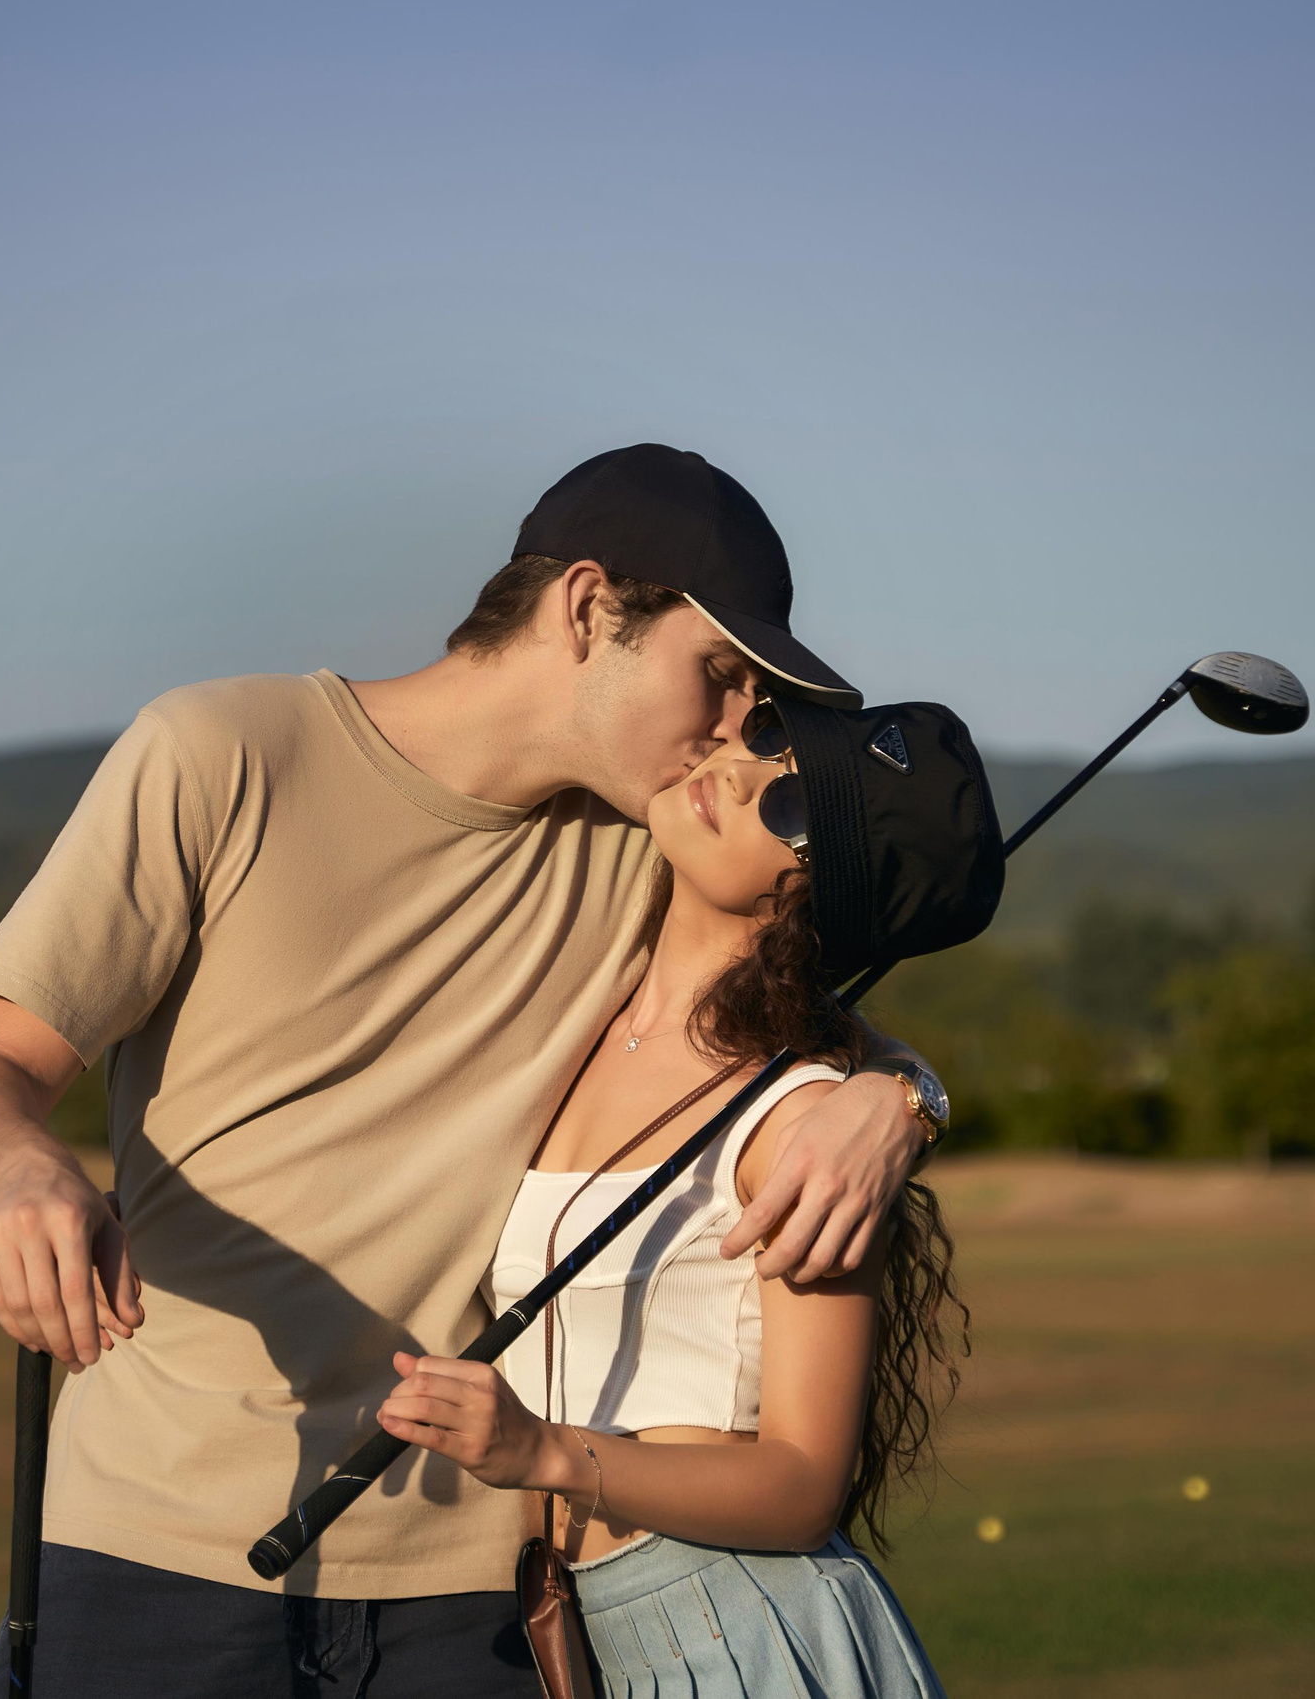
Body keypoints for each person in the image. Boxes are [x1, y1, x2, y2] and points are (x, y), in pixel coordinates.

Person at [0, 445, 959, 1697]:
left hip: (470, 1601)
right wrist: (23, 1172)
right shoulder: (220, 752)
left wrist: (898, 1094)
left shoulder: (653, 839)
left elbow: (775, 997)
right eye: (718, 673)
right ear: (586, 608)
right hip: (151, 1551)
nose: (736, 730)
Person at [374, 686, 1003, 1697]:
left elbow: (803, 1484)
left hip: (738, 1633)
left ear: (813, 905)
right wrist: (904, 1086)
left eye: (791, 809)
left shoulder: (803, 1125)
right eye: (767, 739)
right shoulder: (577, 1016)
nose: (736, 774)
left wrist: (543, 1451)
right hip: (580, 1636)